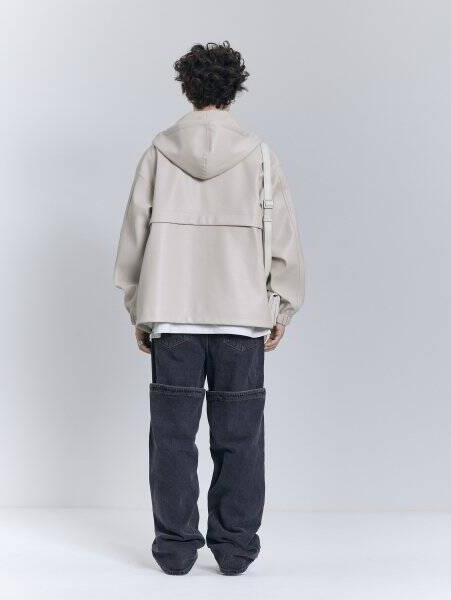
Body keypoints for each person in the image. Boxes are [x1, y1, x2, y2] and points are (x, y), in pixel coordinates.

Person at [114, 41, 304, 576]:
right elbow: (283, 237)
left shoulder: (158, 152)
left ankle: (175, 551)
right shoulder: (259, 154)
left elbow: (134, 235)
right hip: (241, 317)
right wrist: (280, 307)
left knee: (172, 439)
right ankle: (235, 550)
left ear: (187, 88)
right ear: (234, 89)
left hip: (172, 313)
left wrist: (138, 306)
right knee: (240, 439)